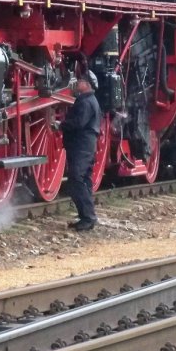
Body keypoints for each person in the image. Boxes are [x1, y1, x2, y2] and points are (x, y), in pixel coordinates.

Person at [61, 71, 101, 231]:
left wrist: (61, 125)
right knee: (84, 179)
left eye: (81, 80)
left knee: (76, 179)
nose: (78, 82)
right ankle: (87, 217)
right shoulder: (89, 100)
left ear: (88, 84)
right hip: (85, 144)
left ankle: (88, 217)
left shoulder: (86, 102)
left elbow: (78, 122)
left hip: (82, 145)